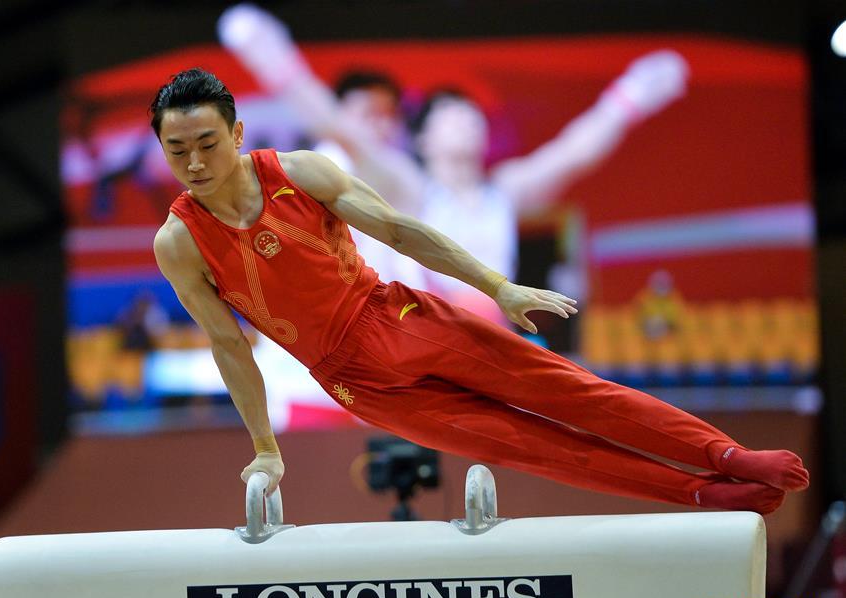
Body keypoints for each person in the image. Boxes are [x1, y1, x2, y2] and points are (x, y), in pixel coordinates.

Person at [150, 68, 809, 515]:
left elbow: (403, 231)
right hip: (349, 379)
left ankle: (724, 454)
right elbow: (226, 344)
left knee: (566, 392)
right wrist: (265, 446)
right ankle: (700, 492)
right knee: (529, 446)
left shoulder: (300, 173)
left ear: (236, 134)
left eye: (207, 143)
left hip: (396, 315)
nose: (196, 163)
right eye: (177, 151)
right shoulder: (178, 242)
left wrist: (498, 286)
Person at [217, 4, 689, 324]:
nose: (467, 123)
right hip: (435, 330)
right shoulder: (411, 188)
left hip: (498, 330)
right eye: (452, 117)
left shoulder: (505, 189)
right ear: (424, 137)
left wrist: (632, 97)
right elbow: (340, 126)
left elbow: (574, 152)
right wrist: (268, 53)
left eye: (473, 117)